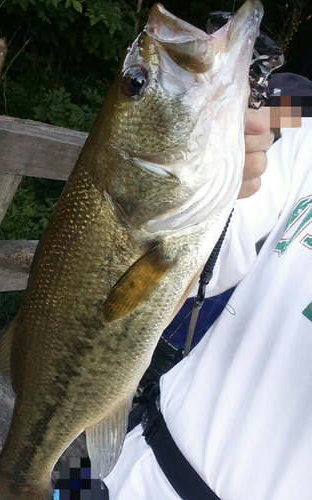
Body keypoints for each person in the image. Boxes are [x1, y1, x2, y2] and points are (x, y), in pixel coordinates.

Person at [103, 75, 312, 499]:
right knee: (36, 480)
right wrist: (224, 173)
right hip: (132, 445)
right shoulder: (304, 129)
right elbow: (211, 266)